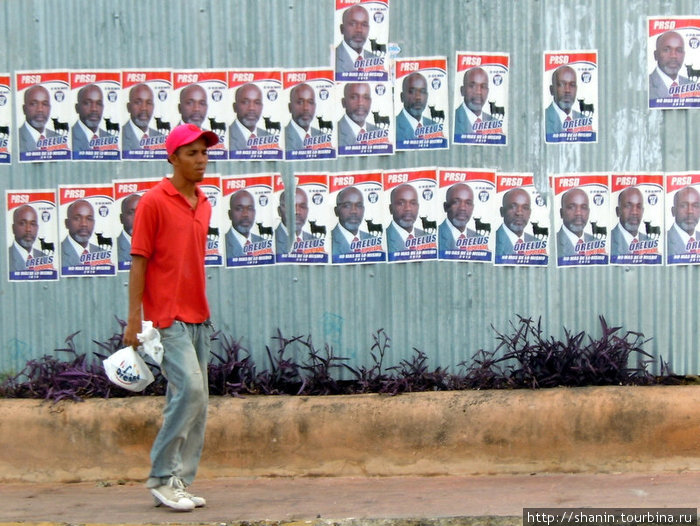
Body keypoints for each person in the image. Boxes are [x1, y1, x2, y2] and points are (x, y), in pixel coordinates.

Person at [123, 123, 219, 512]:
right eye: (192, 153)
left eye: (204, 153)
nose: (201, 160)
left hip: (199, 316)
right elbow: (139, 262)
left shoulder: (204, 202)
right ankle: (162, 476)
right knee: (191, 391)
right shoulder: (153, 202)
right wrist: (135, 320)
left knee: (196, 402)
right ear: (173, 157)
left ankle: (180, 480)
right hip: (166, 319)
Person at [335, 4, 379, 73]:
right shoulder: (333, 60)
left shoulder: (376, 60)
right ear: (342, 29)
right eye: (353, 24)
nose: (359, 30)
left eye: (364, 25)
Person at [649, 30, 692, 100]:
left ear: (684, 55)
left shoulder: (691, 85)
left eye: (679, 50)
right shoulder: (646, 86)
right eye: (666, 50)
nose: (673, 56)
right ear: (655, 55)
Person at [396, 72, 438, 142]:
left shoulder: (435, 127)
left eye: (422, 91)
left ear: (427, 96)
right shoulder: (393, 127)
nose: (418, 97)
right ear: (402, 97)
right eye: (412, 91)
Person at [610, 187, 652, 255]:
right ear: (618, 211)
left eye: (638, 207)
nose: (634, 212)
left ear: (643, 211)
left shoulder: (650, 242)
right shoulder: (608, 241)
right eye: (628, 206)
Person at [495, 188, 537, 256]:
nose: (519, 213)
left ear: (530, 213)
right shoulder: (492, 241)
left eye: (525, 208)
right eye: (513, 207)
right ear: (502, 211)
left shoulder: (538, 243)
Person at [19, 85, 61, 152]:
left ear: (49, 108)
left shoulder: (59, 138)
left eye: (44, 104)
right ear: (24, 109)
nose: (40, 109)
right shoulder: (14, 139)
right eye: (33, 104)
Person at [386, 184, 426, 253]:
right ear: (391, 209)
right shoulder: (382, 239)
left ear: (418, 207)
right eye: (401, 203)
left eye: (413, 203)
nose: (408, 208)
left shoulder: (429, 237)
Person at [60, 199, 101, 267]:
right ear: (67, 223)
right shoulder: (57, 253)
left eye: (89, 219)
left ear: (94, 223)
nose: (84, 224)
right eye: (77, 218)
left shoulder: (102, 253)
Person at [229, 83, 270, 150]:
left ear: (262, 107)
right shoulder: (225, 137)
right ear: (235, 107)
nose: (252, 108)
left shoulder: (270, 138)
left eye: (257, 103)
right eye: (245, 102)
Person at [123, 83, 164, 150]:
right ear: (128, 107)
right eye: (138, 102)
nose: (144, 108)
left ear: (153, 107)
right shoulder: (119, 137)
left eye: (148, 103)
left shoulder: (162, 139)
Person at [545, 65, 585, 135]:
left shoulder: (584, 120)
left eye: (572, 85)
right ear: (552, 90)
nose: (567, 90)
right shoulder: (543, 119)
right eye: (562, 84)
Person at [331, 186, 372, 254]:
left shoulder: (373, 240)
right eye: (347, 206)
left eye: (359, 205)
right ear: (336, 211)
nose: (354, 211)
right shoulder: (328, 241)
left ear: (363, 210)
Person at [556, 188, 596, 257]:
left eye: (583, 207)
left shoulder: (596, 243)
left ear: (588, 212)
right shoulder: (552, 243)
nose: (578, 213)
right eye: (571, 207)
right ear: (561, 213)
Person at [225, 189, 265, 258]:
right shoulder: (222, 244)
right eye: (239, 209)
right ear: (230, 214)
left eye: (250, 208)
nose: (245, 214)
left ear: (254, 213)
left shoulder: (263, 243)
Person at [338, 82, 380, 147]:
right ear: (344, 102)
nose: (360, 103)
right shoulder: (334, 133)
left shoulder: (380, 132)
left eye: (366, 97)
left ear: (370, 102)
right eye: (354, 97)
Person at [454, 67, 493, 136]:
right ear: (462, 90)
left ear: (488, 92)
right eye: (472, 86)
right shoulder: (452, 120)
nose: (478, 92)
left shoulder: (494, 122)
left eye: (483, 87)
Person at [439, 183, 478, 251]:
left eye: (468, 203)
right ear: (445, 207)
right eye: (456, 202)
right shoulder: (434, 236)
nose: (462, 208)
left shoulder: (479, 239)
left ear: (473, 208)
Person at [71, 84, 110, 151]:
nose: (94, 109)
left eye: (98, 103)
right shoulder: (69, 138)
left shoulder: (111, 139)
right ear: (77, 108)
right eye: (87, 103)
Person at [8, 204, 47, 272]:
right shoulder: (5, 257)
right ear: (13, 228)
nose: (28, 229)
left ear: (37, 228)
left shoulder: (44, 258)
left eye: (32, 224)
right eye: (22, 223)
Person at [284, 83, 323, 150]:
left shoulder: (323, 137)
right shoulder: (282, 137)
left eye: (310, 102)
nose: (306, 108)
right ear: (290, 107)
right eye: (300, 102)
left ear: (315, 107)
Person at [275, 187, 314, 254]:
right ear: (279, 211)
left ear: (307, 210)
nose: (297, 211)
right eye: (291, 206)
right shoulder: (271, 240)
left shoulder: (315, 241)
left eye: (302, 207)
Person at [667, 186, 700, 257]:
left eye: (695, 206)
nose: (690, 211)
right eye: (683, 206)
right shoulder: (664, 241)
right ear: (673, 211)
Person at [117, 193, 141, 267]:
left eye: (141, 211)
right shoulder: (114, 248)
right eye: (131, 213)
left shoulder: (158, 245)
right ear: (121, 218)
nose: (137, 218)